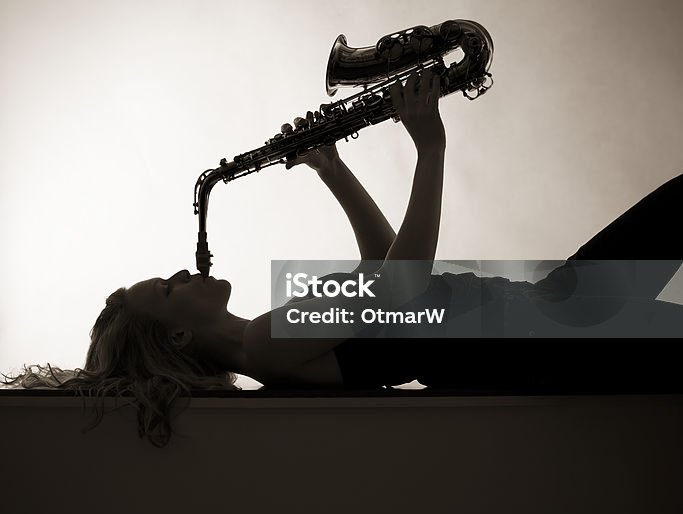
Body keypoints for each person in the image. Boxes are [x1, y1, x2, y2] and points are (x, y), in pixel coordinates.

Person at [3, 68, 681, 445]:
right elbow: (405, 288)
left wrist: (331, 170)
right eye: (168, 288)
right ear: (177, 333)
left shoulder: (269, 340)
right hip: (538, 334)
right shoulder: (264, 346)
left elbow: (381, 275)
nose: (183, 272)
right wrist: (429, 148)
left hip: (537, 324)